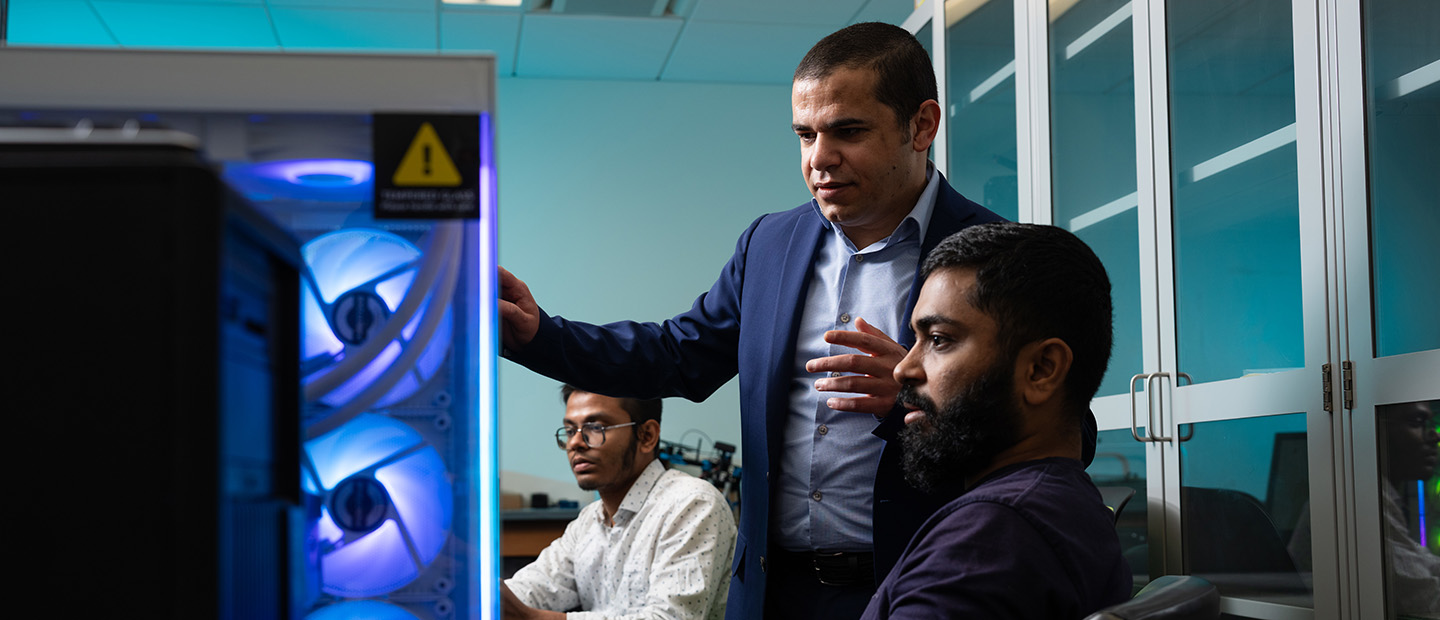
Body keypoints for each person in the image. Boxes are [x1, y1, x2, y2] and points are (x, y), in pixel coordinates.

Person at [500, 22, 1096, 619]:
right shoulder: (770, 243)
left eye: (848, 132)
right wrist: (538, 334)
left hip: (913, 586)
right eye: (804, 135)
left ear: (921, 125)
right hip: (769, 591)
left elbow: (1068, 431)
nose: (819, 159)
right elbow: (675, 353)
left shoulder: (992, 254)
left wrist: (916, 394)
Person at [861, 222, 1131, 619]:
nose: (904, 368)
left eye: (939, 339)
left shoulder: (984, 544)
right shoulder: (1065, 506)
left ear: (1041, 369)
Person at [502, 386, 737, 620]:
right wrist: (488, 594)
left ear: (647, 436)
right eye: (570, 429)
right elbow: (536, 585)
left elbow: (669, 617)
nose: (575, 442)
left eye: (595, 427)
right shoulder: (589, 521)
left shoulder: (692, 503)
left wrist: (533, 618)